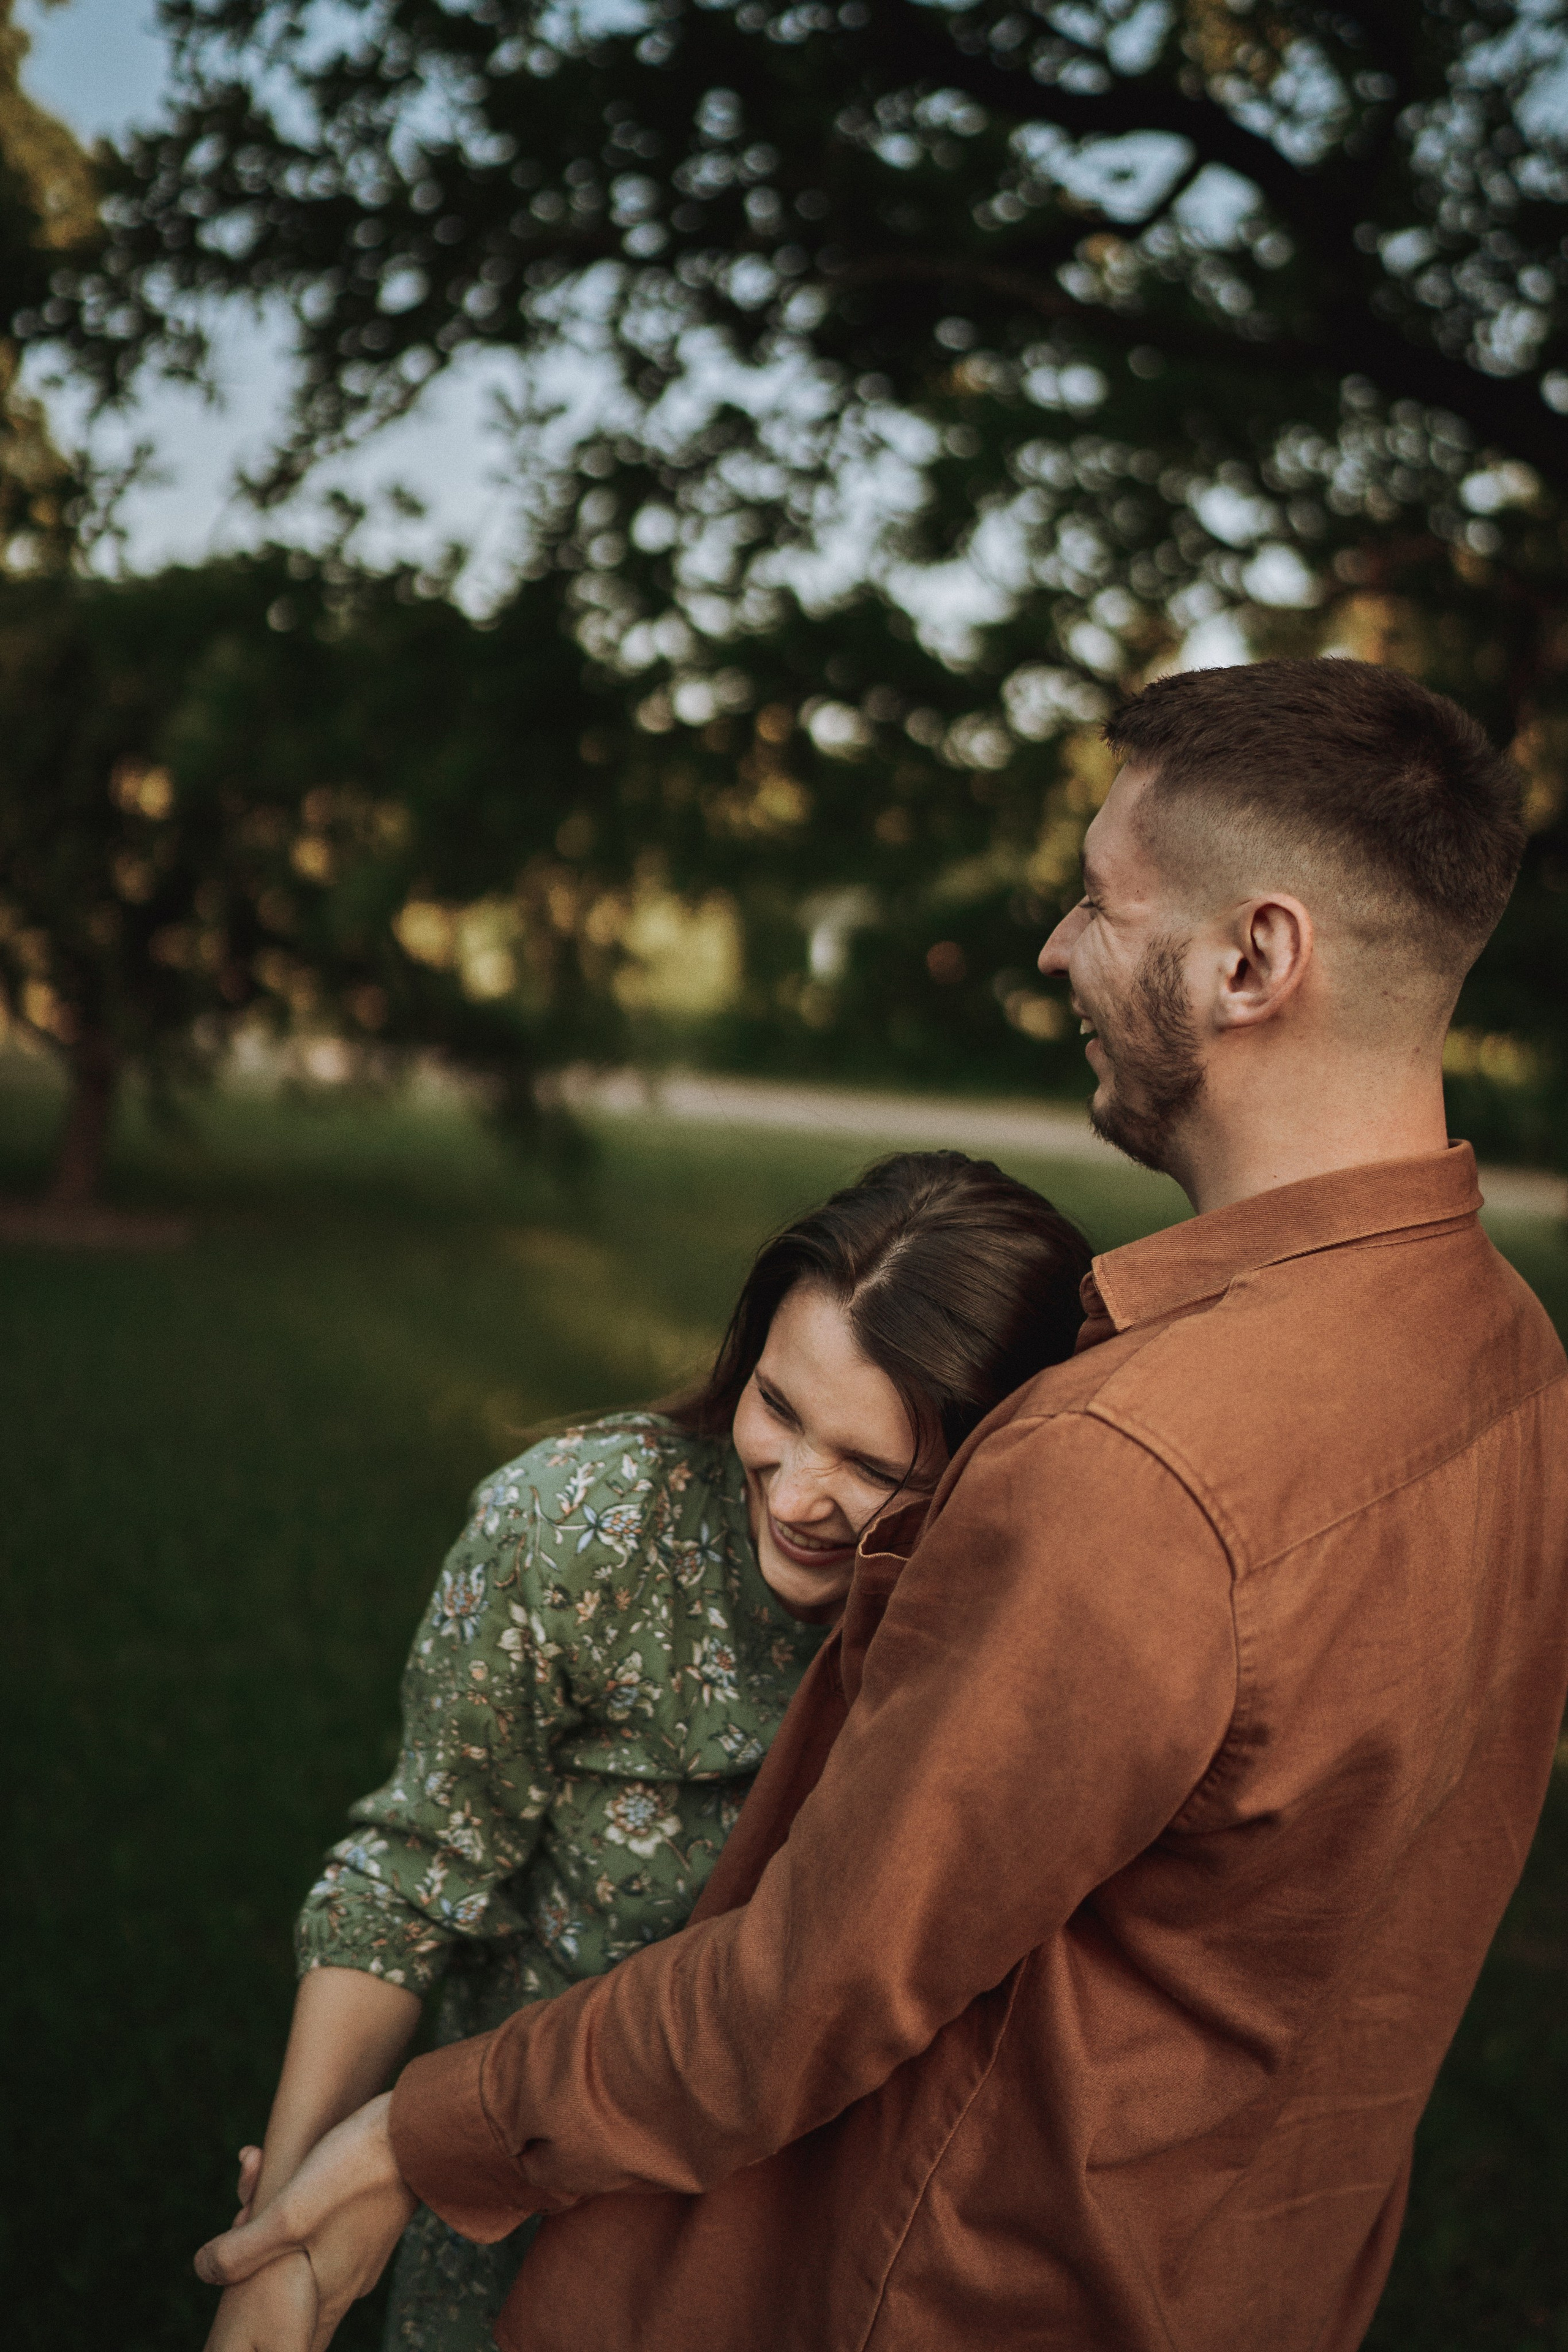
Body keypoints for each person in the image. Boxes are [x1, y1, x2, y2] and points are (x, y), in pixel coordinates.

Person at [198, 657, 1568, 2352]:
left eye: (1098, 897)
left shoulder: (1134, 1470)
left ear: (1250, 959)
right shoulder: (1509, 1363)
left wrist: (420, 2132)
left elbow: (801, 1999)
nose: (1060, 945)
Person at [200, 1150, 1092, 2352]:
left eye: (875, 1469)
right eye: (777, 1408)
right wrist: (290, 2228)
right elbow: (416, 1873)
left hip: (804, 2221)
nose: (795, 1496)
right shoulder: (575, 1531)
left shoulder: (1010, 1637)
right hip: (502, 2179)